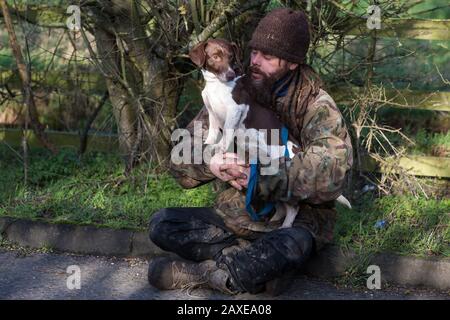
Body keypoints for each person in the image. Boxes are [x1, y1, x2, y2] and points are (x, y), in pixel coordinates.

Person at [147, 8, 353, 295]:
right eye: (254, 52)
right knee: (161, 223)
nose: (254, 61)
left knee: (291, 247)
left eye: (267, 57)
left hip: (292, 224)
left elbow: (332, 173)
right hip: (235, 216)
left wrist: (259, 177)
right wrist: (213, 161)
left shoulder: (316, 104)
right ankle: (245, 267)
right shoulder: (234, 88)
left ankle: (206, 273)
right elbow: (181, 156)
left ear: (292, 63)